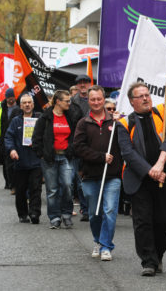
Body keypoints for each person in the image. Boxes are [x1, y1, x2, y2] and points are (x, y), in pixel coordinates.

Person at [117, 82, 166, 276]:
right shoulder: (123, 123)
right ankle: (148, 261)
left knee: (165, 220)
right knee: (143, 220)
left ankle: (158, 255)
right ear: (132, 102)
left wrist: (160, 163)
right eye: (141, 96)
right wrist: (150, 170)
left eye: (147, 94)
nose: (146, 98)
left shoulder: (164, 112)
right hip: (140, 179)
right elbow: (128, 153)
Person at [73, 85, 123, 261]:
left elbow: (127, 141)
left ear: (104, 99)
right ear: (89, 100)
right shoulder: (83, 122)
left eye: (99, 99)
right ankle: (98, 240)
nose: (96, 102)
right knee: (95, 213)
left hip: (112, 175)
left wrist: (121, 122)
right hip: (90, 175)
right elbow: (78, 147)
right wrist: (100, 157)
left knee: (110, 210)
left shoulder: (116, 121)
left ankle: (106, 245)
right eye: (92, 99)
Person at [32, 90, 76, 229]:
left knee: (68, 185)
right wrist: (42, 154)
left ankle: (67, 214)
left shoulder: (70, 117)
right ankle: (55, 217)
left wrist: (72, 149)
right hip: (49, 158)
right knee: (52, 189)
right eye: (66, 101)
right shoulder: (45, 118)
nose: (69, 103)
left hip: (66, 157)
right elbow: (36, 138)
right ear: (58, 101)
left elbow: (75, 135)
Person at [4, 94, 43, 224]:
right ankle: (23, 214)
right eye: (24, 103)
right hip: (20, 161)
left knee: (36, 188)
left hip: (36, 160)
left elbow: (47, 135)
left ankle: (34, 213)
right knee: (20, 190)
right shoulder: (15, 121)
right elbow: (8, 137)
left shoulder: (40, 119)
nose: (27, 105)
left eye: (29, 102)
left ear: (33, 104)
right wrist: (12, 149)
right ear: (20, 106)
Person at [70, 74, 92, 222]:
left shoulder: (97, 98)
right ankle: (85, 209)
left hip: (94, 143)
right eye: (80, 83)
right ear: (77, 86)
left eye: (85, 82)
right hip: (77, 145)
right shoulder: (71, 101)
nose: (83, 85)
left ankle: (93, 208)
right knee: (79, 179)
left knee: (91, 177)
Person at [0, 88, 18, 192]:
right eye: (9, 98)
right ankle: (9, 183)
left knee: (14, 162)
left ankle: (14, 183)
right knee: (7, 163)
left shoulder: (19, 107)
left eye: (12, 97)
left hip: (16, 137)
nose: (11, 100)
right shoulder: (1, 106)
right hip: (4, 138)